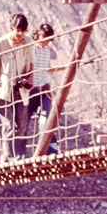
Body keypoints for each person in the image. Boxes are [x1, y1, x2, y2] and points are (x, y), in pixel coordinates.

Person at [0, 13, 34, 162]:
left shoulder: (28, 42)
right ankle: (13, 160)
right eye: (18, 31)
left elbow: (32, 63)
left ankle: (20, 156)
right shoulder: (0, 44)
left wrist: (30, 79)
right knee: (8, 126)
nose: (20, 35)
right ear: (11, 28)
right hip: (4, 91)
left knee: (23, 126)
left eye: (23, 31)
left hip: (21, 90)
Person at [28, 23, 64, 155]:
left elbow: (47, 69)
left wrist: (67, 67)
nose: (46, 42)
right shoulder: (29, 48)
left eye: (49, 40)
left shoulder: (47, 50)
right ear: (37, 35)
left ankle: (50, 152)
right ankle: (14, 156)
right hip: (28, 92)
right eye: (44, 38)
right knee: (22, 126)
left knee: (46, 121)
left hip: (43, 90)